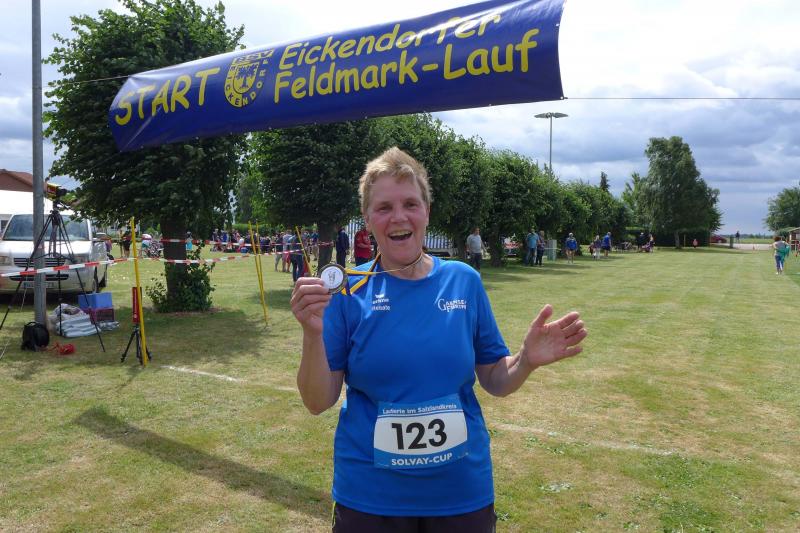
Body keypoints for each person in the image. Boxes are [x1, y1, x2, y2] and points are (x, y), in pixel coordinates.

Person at [290, 147, 587, 531]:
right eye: (384, 207)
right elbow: (317, 401)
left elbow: (495, 379)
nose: (399, 217)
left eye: (410, 204)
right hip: (371, 495)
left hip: (459, 493)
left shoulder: (464, 281)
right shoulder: (348, 290)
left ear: (427, 212)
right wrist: (312, 334)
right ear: (367, 219)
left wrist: (524, 361)